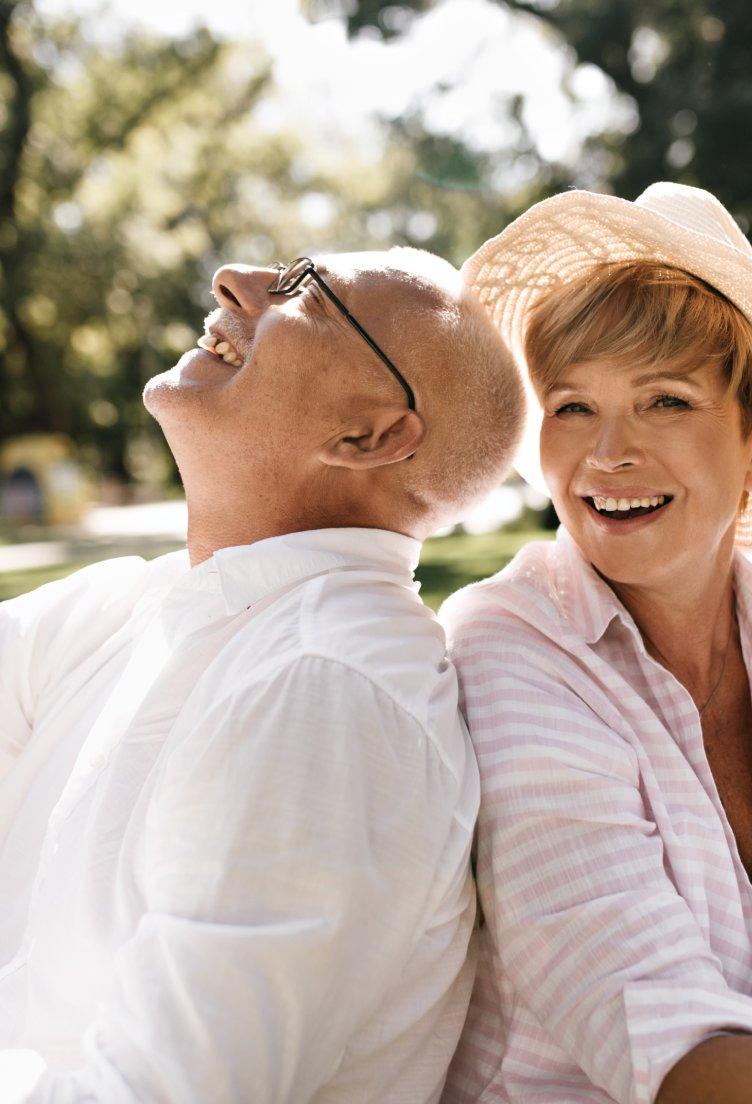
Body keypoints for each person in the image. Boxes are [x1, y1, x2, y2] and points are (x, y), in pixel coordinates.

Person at [0, 247, 526, 1102]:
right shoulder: (137, 606)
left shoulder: (331, 691)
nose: (234, 280)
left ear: (372, 435)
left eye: (305, 289)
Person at [438, 184, 752, 1104]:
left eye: (665, 401)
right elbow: (672, 1058)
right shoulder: (511, 649)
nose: (608, 453)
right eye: (571, 407)